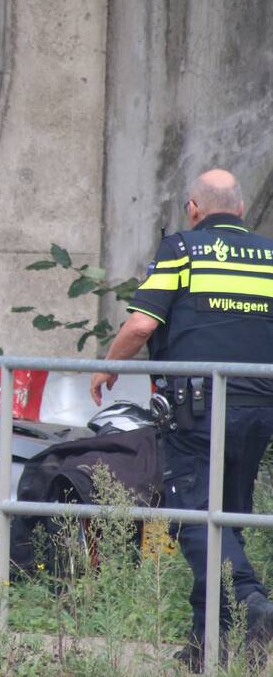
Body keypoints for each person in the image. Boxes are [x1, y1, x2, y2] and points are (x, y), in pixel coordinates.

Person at [89, 169, 273, 670]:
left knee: (192, 518)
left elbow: (142, 323)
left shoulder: (181, 249)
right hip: (260, 412)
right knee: (225, 522)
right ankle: (205, 647)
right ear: (239, 209)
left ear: (194, 208)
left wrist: (106, 369)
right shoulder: (271, 256)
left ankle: (254, 604)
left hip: (198, 411)